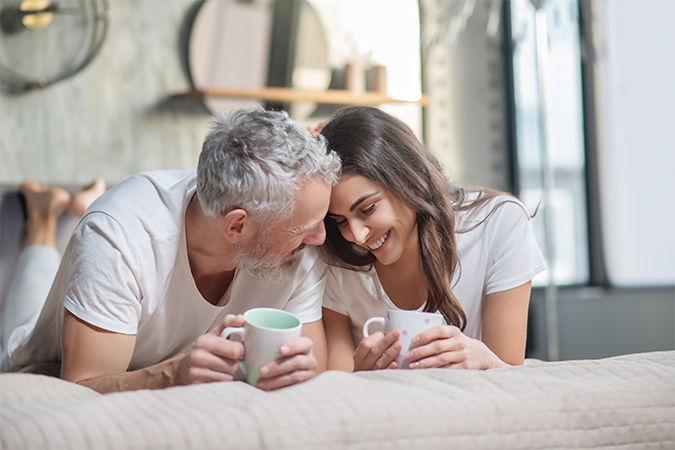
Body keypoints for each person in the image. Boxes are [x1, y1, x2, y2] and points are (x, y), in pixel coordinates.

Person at [1, 107, 341, 393]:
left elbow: (313, 377)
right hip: (41, 360)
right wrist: (172, 375)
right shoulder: (120, 238)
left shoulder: (301, 246)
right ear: (236, 226)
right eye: (303, 228)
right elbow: (81, 387)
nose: (321, 238)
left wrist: (297, 373)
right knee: (21, 327)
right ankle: (41, 220)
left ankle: (76, 205)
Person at [317, 106, 547, 372]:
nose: (356, 236)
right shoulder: (335, 255)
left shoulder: (499, 223)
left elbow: (509, 369)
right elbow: (338, 383)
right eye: (341, 221)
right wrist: (361, 376)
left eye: (367, 209)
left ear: (407, 179)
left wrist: (483, 358)